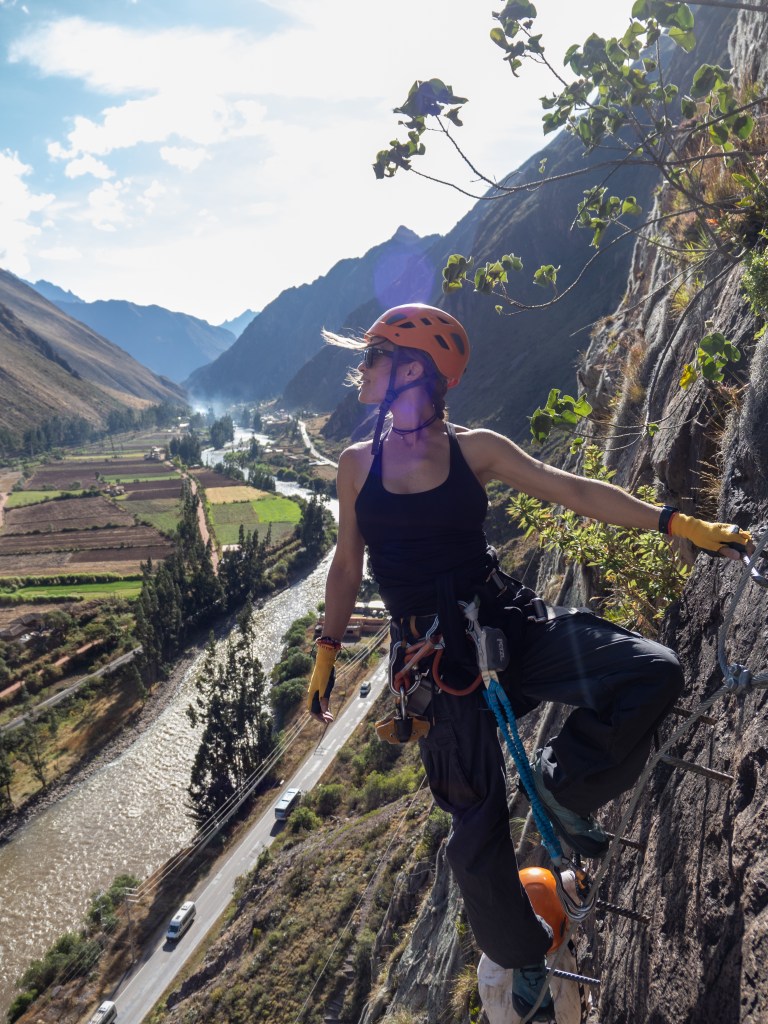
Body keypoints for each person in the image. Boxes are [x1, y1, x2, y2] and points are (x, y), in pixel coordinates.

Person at [306, 303, 752, 1022]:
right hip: (435, 667)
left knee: (651, 670)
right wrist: (326, 652)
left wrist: (674, 522)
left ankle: (557, 786)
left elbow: (571, 491)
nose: (362, 369)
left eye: (376, 356)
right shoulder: (356, 466)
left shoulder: (474, 448)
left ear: (413, 371)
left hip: (508, 625)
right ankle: (524, 963)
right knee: (475, 845)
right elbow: (346, 566)